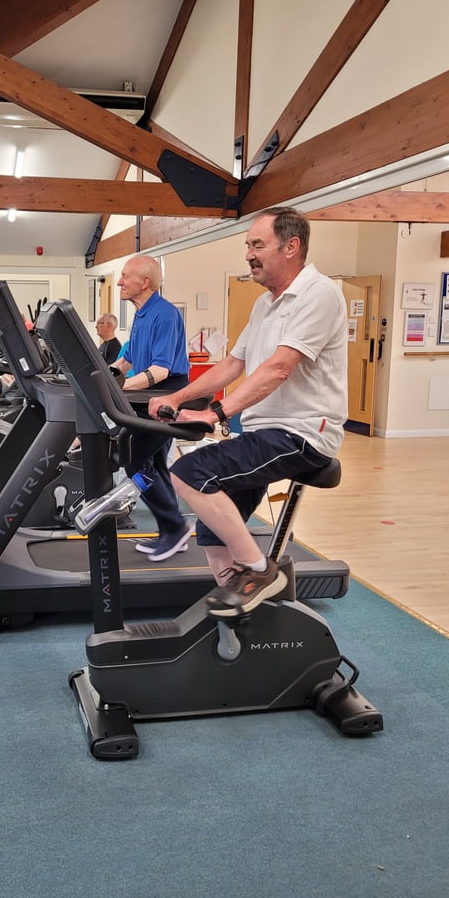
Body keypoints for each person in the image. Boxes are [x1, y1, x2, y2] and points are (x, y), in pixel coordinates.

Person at [148, 206, 347, 616]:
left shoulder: (319, 293)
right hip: (265, 431)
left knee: (188, 474)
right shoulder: (265, 305)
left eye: (258, 245)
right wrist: (179, 398)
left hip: (303, 433)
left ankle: (260, 571)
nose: (249, 254)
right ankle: (242, 614)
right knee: (210, 532)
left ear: (291, 247)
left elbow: (279, 367)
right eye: (248, 245)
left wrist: (216, 414)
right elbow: (232, 364)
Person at [110, 255, 192, 562]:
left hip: (165, 394)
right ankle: (171, 530)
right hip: (149, 396)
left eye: (125, 276)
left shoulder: (165, 314)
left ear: (144, 282)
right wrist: (101, 375)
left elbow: (160, 370)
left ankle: (175, 526)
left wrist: (117, 386)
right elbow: (126, 361)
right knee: (155, 465)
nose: (120, 281)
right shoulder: (142, 315)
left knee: (133, 462)